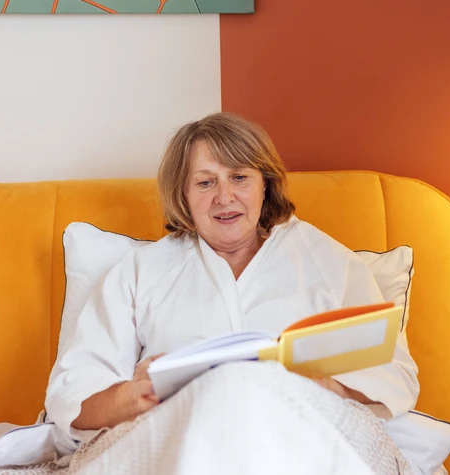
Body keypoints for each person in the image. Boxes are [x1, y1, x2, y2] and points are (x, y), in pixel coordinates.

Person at [42, 112, 420, 474]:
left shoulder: (327, 261)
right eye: (205, 183)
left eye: (239, 177)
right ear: (183, 194)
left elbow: (394, 372)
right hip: (176, 435)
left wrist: (328, 386)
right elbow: (71, 394)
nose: (224, 197)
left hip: (305, 432)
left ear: (265, 184)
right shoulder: (141, 270)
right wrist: (131, 396)